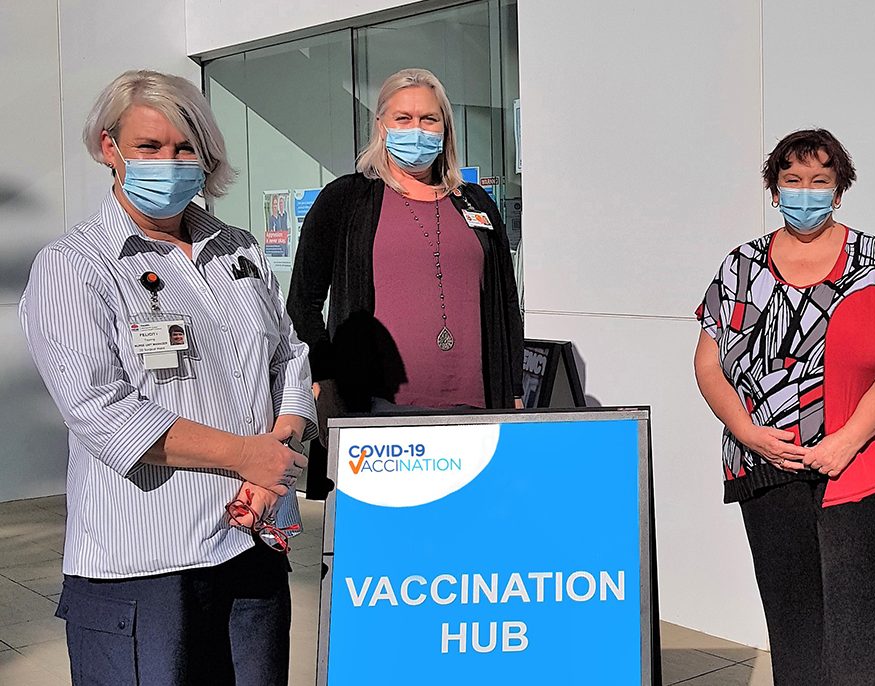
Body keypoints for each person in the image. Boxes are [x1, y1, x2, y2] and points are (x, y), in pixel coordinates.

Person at [20, 69, 316, 685]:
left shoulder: (238, 248)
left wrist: (272, 468)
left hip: (250, 541)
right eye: (150, 147)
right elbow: (103, 410)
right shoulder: (74, 267)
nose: (171, 162)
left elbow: (288, 355)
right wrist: (246, 458)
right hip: (145, 564)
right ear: (110, 148)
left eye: (185, 148)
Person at [694, 129, 875, 685]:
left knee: (868, 631)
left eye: (820, 180)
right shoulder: (739, 267)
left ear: (839, 190)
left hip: (861, 471)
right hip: (768, 471)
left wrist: (845, 442)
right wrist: (749, 433)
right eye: (792, 180)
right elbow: (708, 365)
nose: (805, 192)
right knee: (794, 626)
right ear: (774, 188)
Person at [288, 68, 524, 445]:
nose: (417, 129)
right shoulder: (346, 199)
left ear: (445, 129)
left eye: (429, 119)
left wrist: (512, 385)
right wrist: (324, 377)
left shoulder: (475, 202)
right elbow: (302, 303)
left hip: (477, 407)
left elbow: (506, 302)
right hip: (376, 409)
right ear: (382, 125)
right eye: (404, 118)